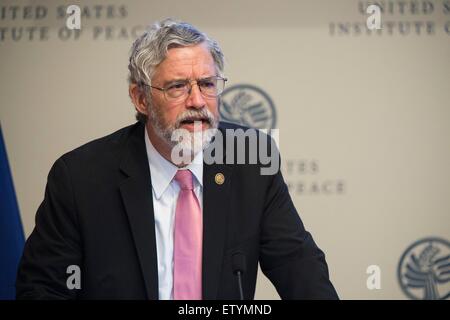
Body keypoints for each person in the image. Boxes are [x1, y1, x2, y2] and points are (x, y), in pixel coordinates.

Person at [16, 19, 338, 300]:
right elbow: (44, 288)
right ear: (141, 98)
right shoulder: (80, 179)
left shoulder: (251, 159)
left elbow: (297, 264)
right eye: (178, 87)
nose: (197, 101)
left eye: (207, 85)